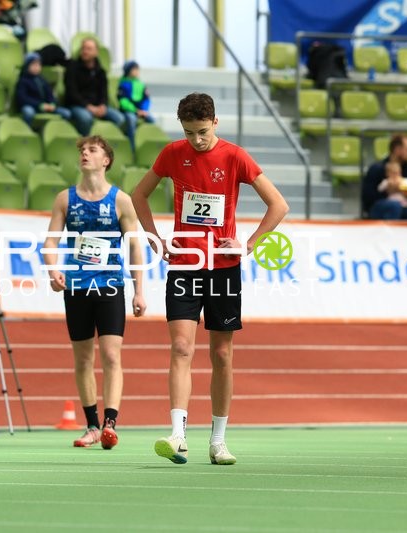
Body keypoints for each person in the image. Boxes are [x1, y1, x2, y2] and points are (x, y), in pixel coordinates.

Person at [130, 92, 288, 465]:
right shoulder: (172, 153)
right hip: (185, 263)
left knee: (221, 354)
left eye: (202, 132)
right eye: (189, 133)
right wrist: (153, 237)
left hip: (223, 267)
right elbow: (139, 195)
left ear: (215, 123)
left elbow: (278, 204)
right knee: (182, 348)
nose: (196, 140)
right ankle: (178, 434)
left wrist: (247, 245)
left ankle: (218, 441)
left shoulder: (234, 157)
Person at [42, 135, 147, 449]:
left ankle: (109, 424)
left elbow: (134, 248)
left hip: (110, 284)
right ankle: (91, 425)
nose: (85, 154)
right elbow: (50, 242)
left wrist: (139, 290)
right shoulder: (65, 199)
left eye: (93, 150)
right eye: (83, 151)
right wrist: (53, 269)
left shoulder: (120, 201)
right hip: (76, 286)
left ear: (106, 160)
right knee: (83, 359)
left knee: (111, 355)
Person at [63, 37, 125, 136]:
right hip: (77, 105)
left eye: (89, 49)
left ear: (96, 52)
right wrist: (88, 106)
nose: (85, 51)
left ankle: (106, 146)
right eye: (83, 48)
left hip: (97, 106)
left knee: (120, 119)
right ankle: (85, 146)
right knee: (86, 118)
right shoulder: (72, 68)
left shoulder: (101, 71)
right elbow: (72, 93)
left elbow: (103, 92)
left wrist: (103, 105)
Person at [361, 133, 407, 220]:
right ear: (397, 149)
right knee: (394, 206)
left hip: (403, 204)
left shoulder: (406, 171)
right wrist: (389, 190)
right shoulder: (377, 168)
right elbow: (367, 197)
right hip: (379, 206)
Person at [14, 52, 71, 128]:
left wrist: (52, 104)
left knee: (66, 113)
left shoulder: (42, 80)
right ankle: (27, 131)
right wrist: (40, 105)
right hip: (32, 106)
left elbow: (50, 94)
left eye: (38, 64)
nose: (36, 67)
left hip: (46, 107)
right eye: (33, 64)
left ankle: (56, 132)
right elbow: (22, 98)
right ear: (27, 66)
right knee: (28, 112)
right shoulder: (23, 81)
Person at [117, 60, 155, 145]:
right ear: (128, 71)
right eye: (134, 69)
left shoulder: (141, 84)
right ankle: (132, 145)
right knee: (131, 120)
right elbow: (123, 101)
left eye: (137, 69)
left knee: (152, 120)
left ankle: (147, 143)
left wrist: (144, 110)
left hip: (141, 111)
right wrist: (135, 110)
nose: (137, 71)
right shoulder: (123, 84)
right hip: (129, 111)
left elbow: (146, 99)